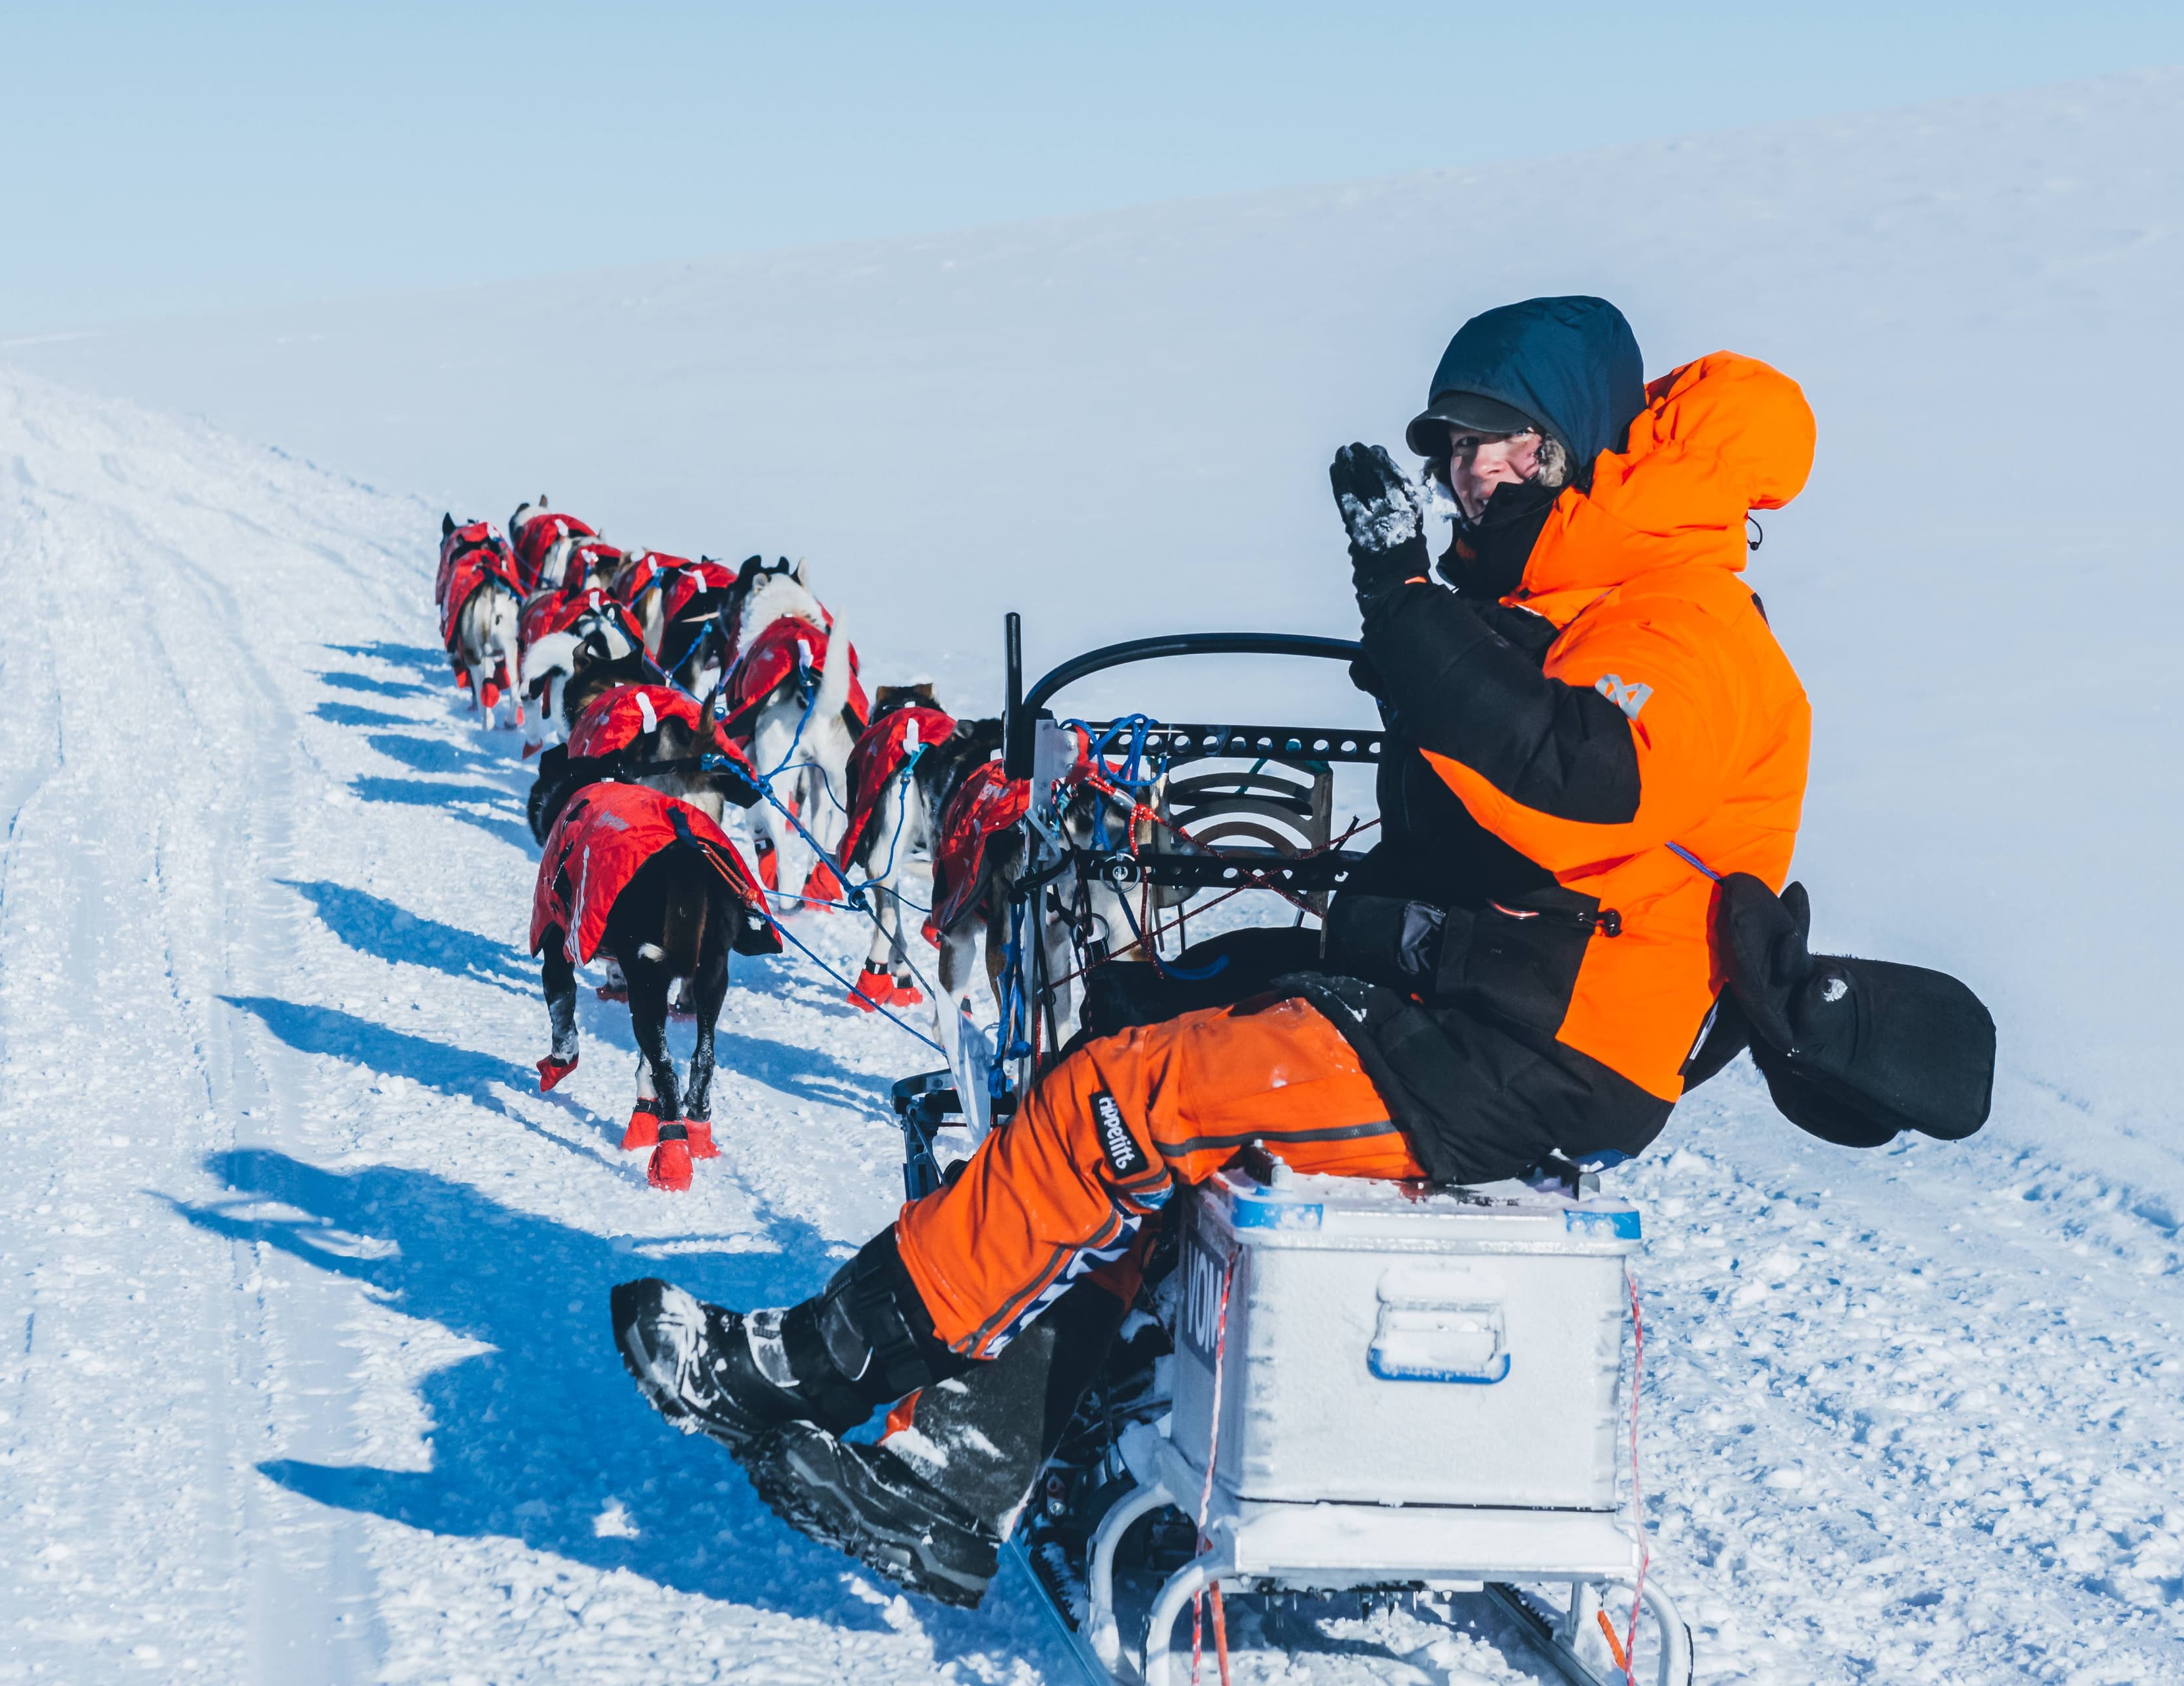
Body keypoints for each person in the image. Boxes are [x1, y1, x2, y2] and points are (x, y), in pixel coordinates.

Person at [610, 295, 1818, 1605]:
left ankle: (809, 1364)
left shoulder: (1689, 621)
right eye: (1453, 443)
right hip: (1471, 1001)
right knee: (1134, 1015)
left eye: (1503, 439)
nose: (1471, 471)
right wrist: (1423, 615)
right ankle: (976, 1448)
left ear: (1578, 446)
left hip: (1532, 1048)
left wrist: (1405, 603)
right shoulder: (1572, 596)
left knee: (1127, 1099)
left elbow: (1576, 775)